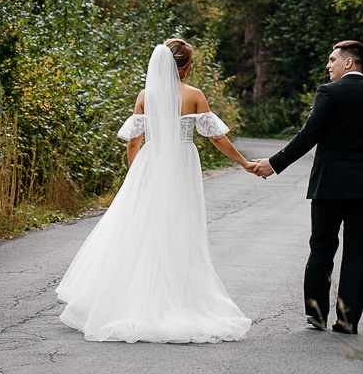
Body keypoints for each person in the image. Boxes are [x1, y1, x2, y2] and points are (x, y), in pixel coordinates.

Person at [57, 38, 256, 343]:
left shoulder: (144, 96)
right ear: (185, 67)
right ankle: (176, 295)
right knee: (179, 228)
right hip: (180, 165)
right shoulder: (193, 96)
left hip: (150, 165)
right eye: (191, 63)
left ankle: (125, 297)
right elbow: (216, 138)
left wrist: (137, 173)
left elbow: (134, 142)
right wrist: (243, 162)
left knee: (142, 229)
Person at [251, 40, 363, 335]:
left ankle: (316, 313)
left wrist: (274, 164)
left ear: (349, 63)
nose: (328, 65)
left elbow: (308, 135)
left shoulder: (329, 92)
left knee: (322, 247)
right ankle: (347, 320)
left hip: (329, 186)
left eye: (332, 60)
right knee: (357, 252)